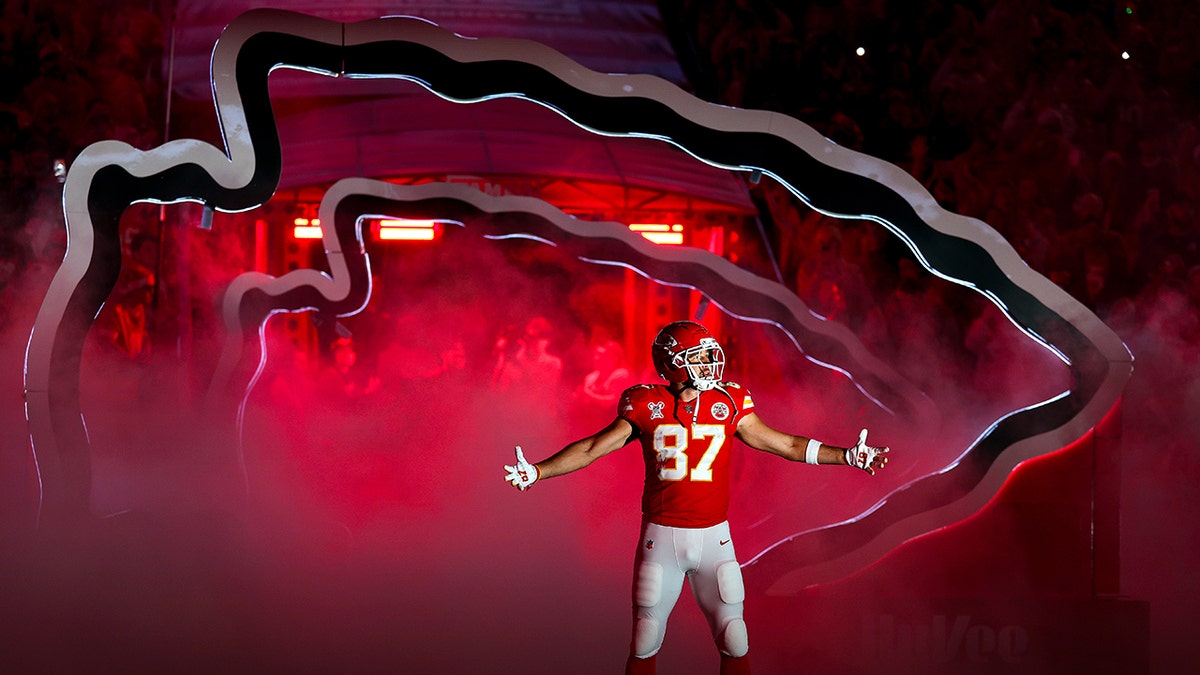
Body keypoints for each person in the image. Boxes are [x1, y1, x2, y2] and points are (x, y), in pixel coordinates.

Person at [503, 321, 889, 675]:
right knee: (645, 640)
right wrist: (538, 470)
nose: (709, 364)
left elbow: (783, 442)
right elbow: (592, 448)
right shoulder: (643, 403)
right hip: (662, 537)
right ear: (670, 365)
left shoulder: (731, 401)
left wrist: (846, 456)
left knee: (735, 638)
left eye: (710, 355)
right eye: (697, 357)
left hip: (714, 539)